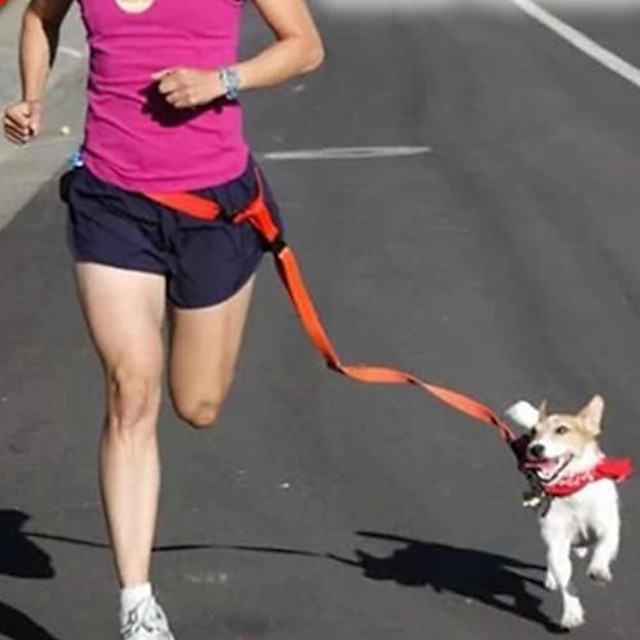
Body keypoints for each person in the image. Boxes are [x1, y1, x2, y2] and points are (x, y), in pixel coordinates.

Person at [3, 1, 324, 638]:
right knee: (131, 389)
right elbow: (39, 17)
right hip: (111, 202)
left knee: (198, 404)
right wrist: (32, 98)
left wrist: (223, 80)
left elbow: (305, 45)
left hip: (215, 209)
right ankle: (137, 606)